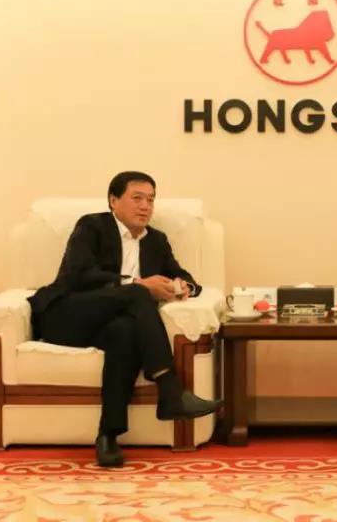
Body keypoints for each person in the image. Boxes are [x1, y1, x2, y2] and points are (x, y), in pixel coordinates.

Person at [28, 171, 223, 467]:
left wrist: (183, 287)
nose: (145, 206)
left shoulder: (156, 240)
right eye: (137, 198)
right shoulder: (92, 226)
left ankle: (108, 436)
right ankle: (170, 389)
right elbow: (80, 275)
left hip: (108, 326)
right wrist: (137, 283)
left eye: (151, 200)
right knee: (137, 293)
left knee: (125, 332)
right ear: (113, 200)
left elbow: (185, 277)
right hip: (67, 315)